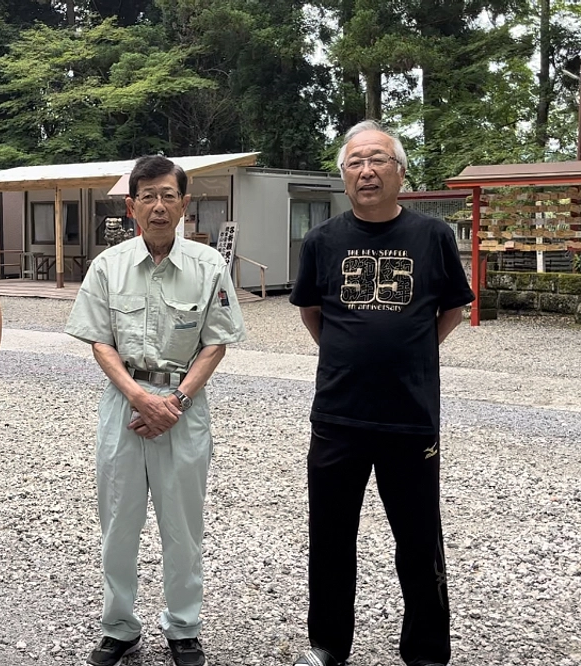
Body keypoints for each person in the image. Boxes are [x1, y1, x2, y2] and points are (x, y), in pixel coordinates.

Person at [289, 120, 475, 666]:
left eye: (378, 160)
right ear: (344, 176)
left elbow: (452, 310)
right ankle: (326, 644)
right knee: (329, 539)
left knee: (419, 541)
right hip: (338, 415)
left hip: (410, 417)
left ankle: (426, 651)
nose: (366, 171)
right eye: (355, 163)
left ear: (399, 171)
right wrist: (355, 353)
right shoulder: (323, 240)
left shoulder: (432, 236)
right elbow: (311, 312)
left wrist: (408, 351)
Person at [65, 155, 246, 666]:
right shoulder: (108, 266)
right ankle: (119, 625)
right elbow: (100, 341)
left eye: (169, 195)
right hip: (124, 405)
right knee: (118, 522)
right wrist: (140, 397)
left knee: (182, 525)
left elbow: (215, 344)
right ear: (132, 206)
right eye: (148, 196)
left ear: (185, 204)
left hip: (184, 406)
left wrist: (176, 402)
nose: (159, 206)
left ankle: (184, 625)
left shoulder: (209, 267)